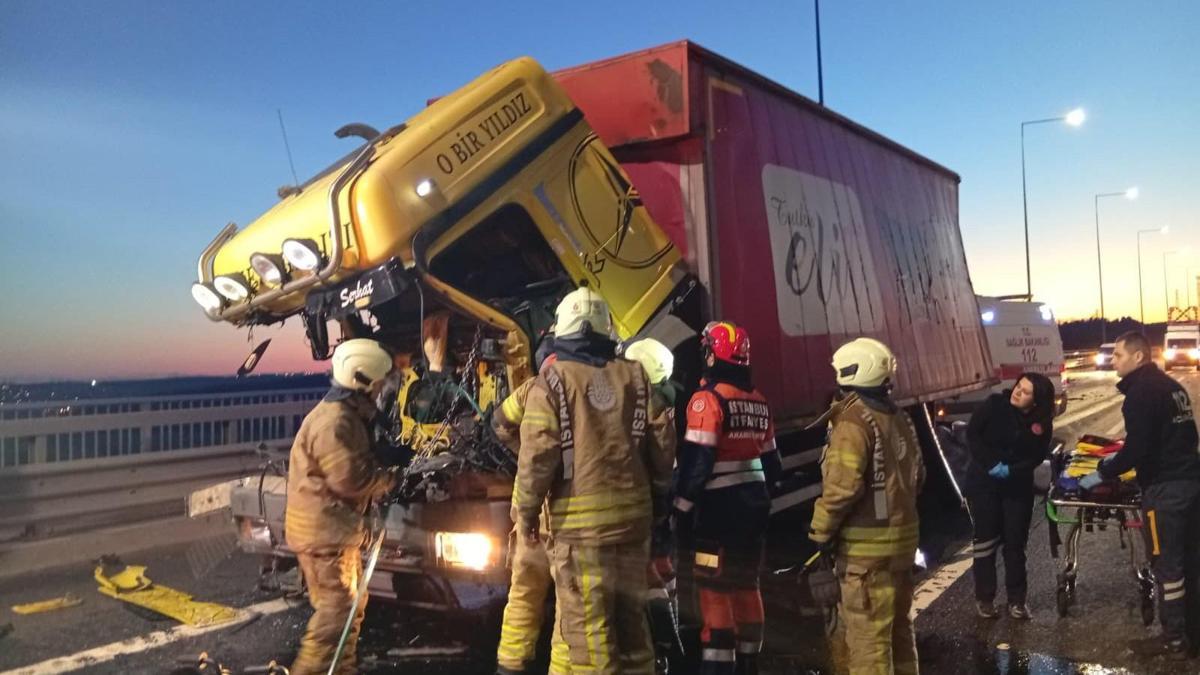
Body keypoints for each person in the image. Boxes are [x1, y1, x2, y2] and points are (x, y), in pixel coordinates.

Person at [512, 287, 675, 674]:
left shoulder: (551, 382)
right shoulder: (635, 376)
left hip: (582, 537)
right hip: (634, 528)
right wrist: (660, 499)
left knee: (590, 633)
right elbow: (663, 447)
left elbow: (537, 454)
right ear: (607, 331)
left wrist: (527, 513)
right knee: (633, 626)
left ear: (562, 332)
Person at [1080, 331, 1200, 659]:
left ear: (1137, 357)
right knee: (1191, 561)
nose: (1113, 360)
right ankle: (1192, 632)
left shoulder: (1141, 393)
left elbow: (1136, 448)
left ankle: (1173, 639)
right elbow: (1187, 436)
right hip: (1190, 482)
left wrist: (1103, 471)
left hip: (1165, 492)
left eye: (1117, 355)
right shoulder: (1172, 387)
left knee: (1166, 565)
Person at [809, 337, 924, 675]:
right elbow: (919, 478)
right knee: (901, 634)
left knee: (869, 647)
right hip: (902, 549)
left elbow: (841, 489)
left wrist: (820, 532)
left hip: (867, 558)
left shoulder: (853, 422)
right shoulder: (900, 417)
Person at [673, 321, 781, 675]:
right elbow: (772, 464)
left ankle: (718, 668)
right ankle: (749, 662)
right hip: (753, 513)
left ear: (711, 353)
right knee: (747, 584)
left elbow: (697, 462)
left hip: (716, 517)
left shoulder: (708, 400)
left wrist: (681, 510)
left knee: (713, 588)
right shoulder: (758, 400)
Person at [285, 338, 398, 675]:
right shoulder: (335, 421)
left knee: (350, 607)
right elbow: (349, 479)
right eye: (379, 383)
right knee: (335, 616)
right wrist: (390, 477)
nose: (381, 390)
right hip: (324, 534)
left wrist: (381, 455)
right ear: (363, 381)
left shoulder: (344, 415)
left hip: (334, 531)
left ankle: (341, 670)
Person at [965, 372, 1055, 620]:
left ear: (1036, 401)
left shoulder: (1040, 424)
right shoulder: (994, 406)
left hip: (1017, 487)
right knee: (985, 543)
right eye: (1018, 386)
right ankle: (985, 598)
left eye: (1026, 392)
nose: (1018, 392)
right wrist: (991, 464)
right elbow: (973, 435)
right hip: (984, 484)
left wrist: (1012, 470)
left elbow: (1036, 456)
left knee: (1015, 544)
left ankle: (1017, 600)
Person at [494, 334, 557, 675]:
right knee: (570, 601)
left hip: (529, 513)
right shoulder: (581, 388)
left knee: (523, 595)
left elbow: (499, 424)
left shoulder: (531, 387)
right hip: (564, 512)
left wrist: (524, 452)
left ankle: (510, 666)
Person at [626, 338, 681, 674]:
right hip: (660, 494)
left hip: (640, 496)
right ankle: (667, 630)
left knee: (645, 570)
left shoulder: (636, 403)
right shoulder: (664, 399)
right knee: (662, 560)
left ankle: (660, 633)